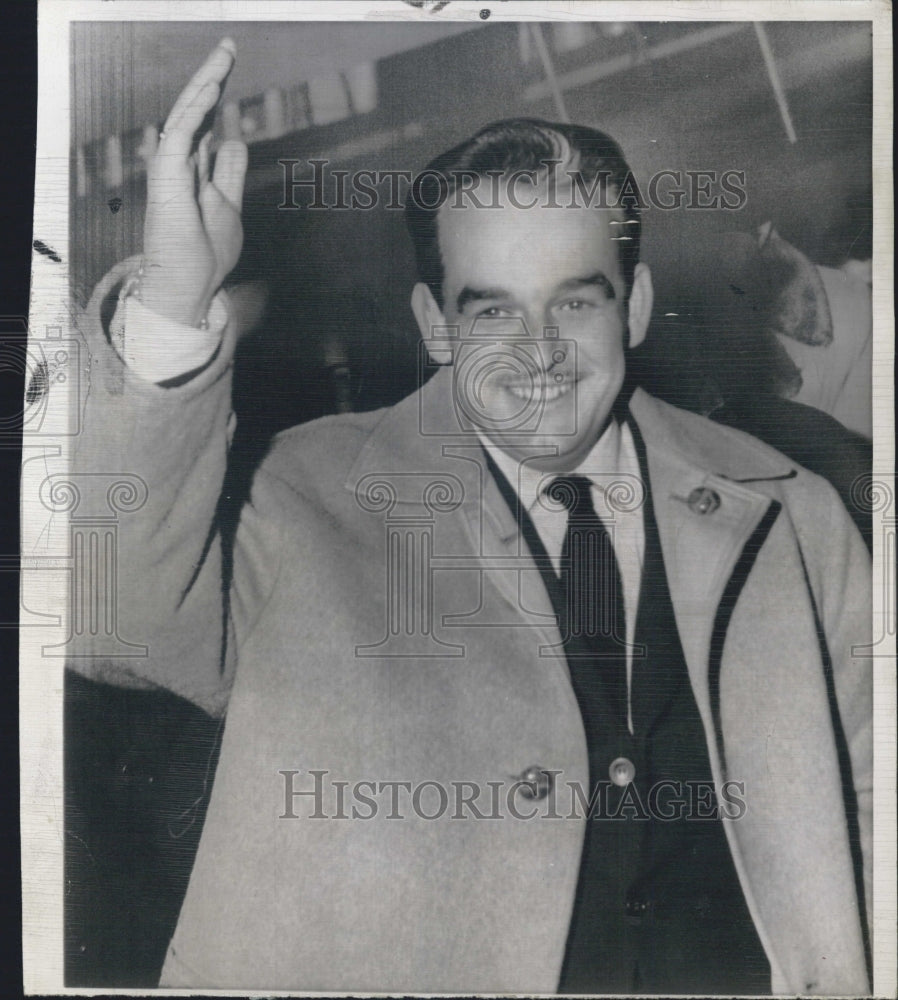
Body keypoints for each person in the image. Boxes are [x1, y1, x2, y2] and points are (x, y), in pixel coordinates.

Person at [70, 40, 872, 994]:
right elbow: (112, 620)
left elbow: (877, 805)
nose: (538, 353)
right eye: (491, 312)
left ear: (636, 307)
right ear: (434, 326)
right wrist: (172, 299)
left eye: (576, 302)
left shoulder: (794, 514)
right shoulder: (301, 495)